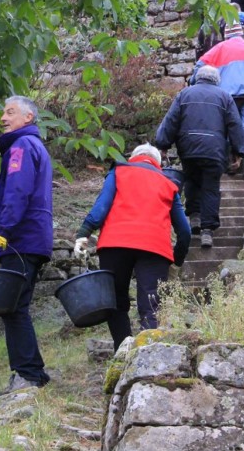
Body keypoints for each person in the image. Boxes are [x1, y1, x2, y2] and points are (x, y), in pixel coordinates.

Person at [73, 144, 191, 349]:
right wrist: (177, 259)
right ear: (158, 163)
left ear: (133, 158)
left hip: (115, 243)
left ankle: (122, 351)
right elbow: (185, 231)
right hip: (155, 247)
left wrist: (84, 233)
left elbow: (101, 206)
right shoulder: (168, 183)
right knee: (151, 305)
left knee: (115, 301)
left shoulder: (119, 171)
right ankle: (148, 354)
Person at [0, 95, 53, 392]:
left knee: (14, 307)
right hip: (32, 238)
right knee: (16, 306)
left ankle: (28, 375)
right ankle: (32, 372)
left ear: (28, 117)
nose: (3, 118)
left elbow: (17, 191)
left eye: (10, 112)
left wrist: (3, 229)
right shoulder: (33, 145)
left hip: (21, 239)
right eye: (3, 112)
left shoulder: (22, 147)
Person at [154, 64, 244, 249]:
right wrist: (239, 151)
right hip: (214, 150)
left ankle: (195, 216)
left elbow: (171, 120)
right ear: (217, 80)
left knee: (192, 180)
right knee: (211, 187)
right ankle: (207, 230)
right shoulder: (225, 97)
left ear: (198, 78)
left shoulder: (184, 94)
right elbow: (234, 124)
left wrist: (162, 145)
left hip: (188, 148)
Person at [196, 22, 244, 182]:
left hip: (227, 96)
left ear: (226, 34)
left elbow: (200, 65)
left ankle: (230, 166)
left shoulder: (219, 48)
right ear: (241, 33)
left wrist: (195, 83)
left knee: (228, 128)